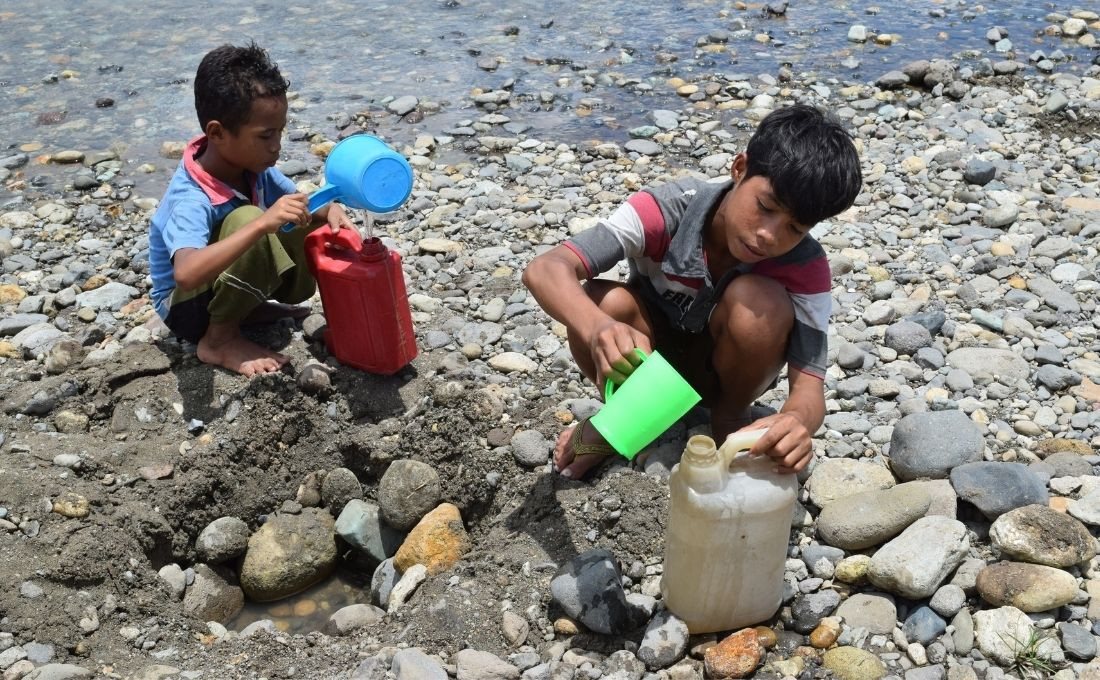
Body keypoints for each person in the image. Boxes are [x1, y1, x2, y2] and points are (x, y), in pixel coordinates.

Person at [522, 104, 862, 479]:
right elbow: (546, 268)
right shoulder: (666, 210)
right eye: (765, 206)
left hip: (723, 380)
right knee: (600, 302)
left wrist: (796, 421)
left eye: (795, 229)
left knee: (760, 301)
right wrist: (596, 327)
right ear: (739, 168)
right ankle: (628, 417)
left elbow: (809, 388)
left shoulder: (805, 265)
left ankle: (730, 421)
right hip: (648, 364)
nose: (769, 234)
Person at [148, 43, 354, 376]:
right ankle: (219, 340)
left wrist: (329, 210)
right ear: (217, 132)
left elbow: (300, 205)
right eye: (266, 135)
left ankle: (248, 309)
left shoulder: (254, 169)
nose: (277, 146)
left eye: (280, 132)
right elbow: (185, 274)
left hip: (215, 286)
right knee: (251, 219)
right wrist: (260, 225)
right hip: (185, 307)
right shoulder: (191, 197)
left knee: (299, 217)